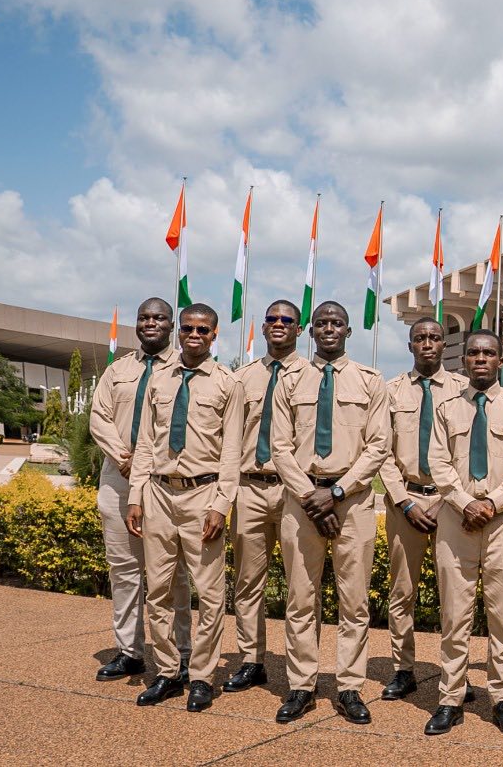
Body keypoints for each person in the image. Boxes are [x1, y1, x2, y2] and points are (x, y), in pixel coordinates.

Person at [270, 302, 391, 725]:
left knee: (353, 602)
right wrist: (310, 496)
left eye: (335, 323)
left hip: (352, 502)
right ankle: (302, 685)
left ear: (348, 329)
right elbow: (279, 446)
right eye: (320, 323)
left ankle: (350, 687)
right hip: (302, 500)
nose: (328, 329)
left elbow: (378, 445)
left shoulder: (371, 382)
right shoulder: (289, 380)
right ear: (311, 331)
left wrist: (337, 492)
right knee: (300, 600)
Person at [125, 303, 243, 712]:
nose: (195, 335)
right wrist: (136, 495)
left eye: (203, 330)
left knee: (209, 594)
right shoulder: (159, 379)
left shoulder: (228, 384)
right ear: (179, 331)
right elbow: (144, 443)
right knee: (157, 590)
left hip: (202, 496)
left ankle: (202, 677)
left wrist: (221, 505)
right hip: (158, 493)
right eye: (189, 328)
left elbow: (232, 453)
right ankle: (167, 673)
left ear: (214, 336)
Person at [423, 330, 503, 736]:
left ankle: (502, 696)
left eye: (488, 353)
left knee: (502, 615)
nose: (480, 359)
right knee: (454, 614)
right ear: (464, 361)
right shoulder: (446, 408)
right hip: (457, 520)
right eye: (473, 352)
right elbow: (437, 462)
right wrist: (463, 502)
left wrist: (493, 503)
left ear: (501, 359)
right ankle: (450, 697)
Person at [87, 297, 190, 682]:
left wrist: (147, 466)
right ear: (137, 324)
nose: (151, 323)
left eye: (159, 318)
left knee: (174, 573)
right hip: (119, 479)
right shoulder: (117, 371)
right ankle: (130, 650)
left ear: (171, 324)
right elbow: (100, 417)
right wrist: (125, 458)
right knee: (125, 571)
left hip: (165, 484)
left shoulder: (184, 369)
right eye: (144, 318)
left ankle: (181, 652)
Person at [380, 317, 469, 701]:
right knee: (403, 591)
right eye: (420, 338)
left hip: (452, 503)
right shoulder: (390, 391)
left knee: (456, 595)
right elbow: (380, 452)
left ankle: (456, 676)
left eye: (434, 338)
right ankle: (403, 669)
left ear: (443, 344)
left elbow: (465, 455)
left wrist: (452, 498)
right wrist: (404, 500)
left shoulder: (464, 389)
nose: (428, 344)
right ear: (410, 345)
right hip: (407, 501)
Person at [223, 300, 306, 695]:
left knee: (299, 584)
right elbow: (229, 437)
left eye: (286, 320)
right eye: (271, 319)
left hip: (294, 490)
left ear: (299, 328)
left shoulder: (311, 376)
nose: (277, 325)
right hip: (250, 487)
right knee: (247, 581)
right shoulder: (242, 378)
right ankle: (251, 659)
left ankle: (300, 669)